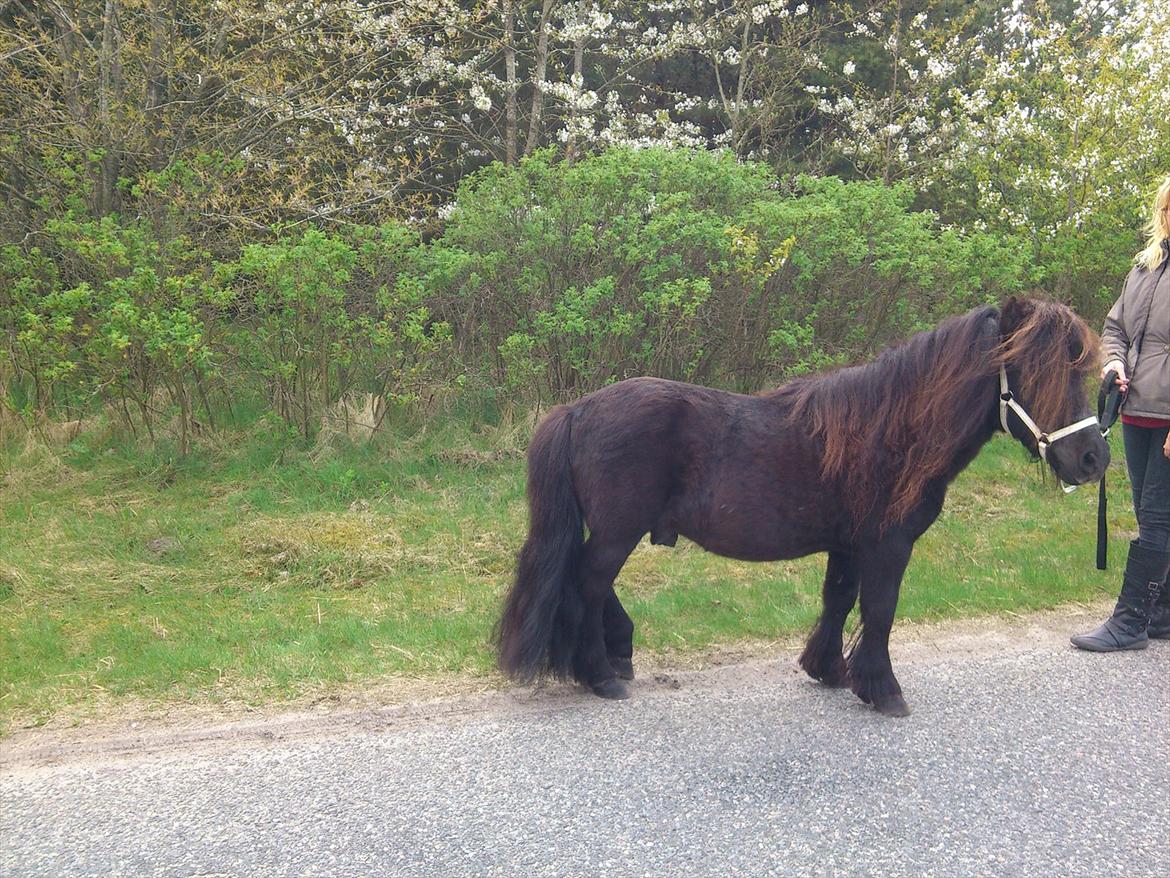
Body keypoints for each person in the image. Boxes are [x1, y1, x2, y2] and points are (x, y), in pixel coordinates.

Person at [1072, 175, 1170, 651]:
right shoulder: (1145, 268)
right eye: (1168, 209)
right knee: (1155, 512)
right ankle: (1165, 611)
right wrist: (1114, 362)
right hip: (1136, 412)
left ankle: (1130, 622)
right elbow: (1116, 327)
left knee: (1156, 517)